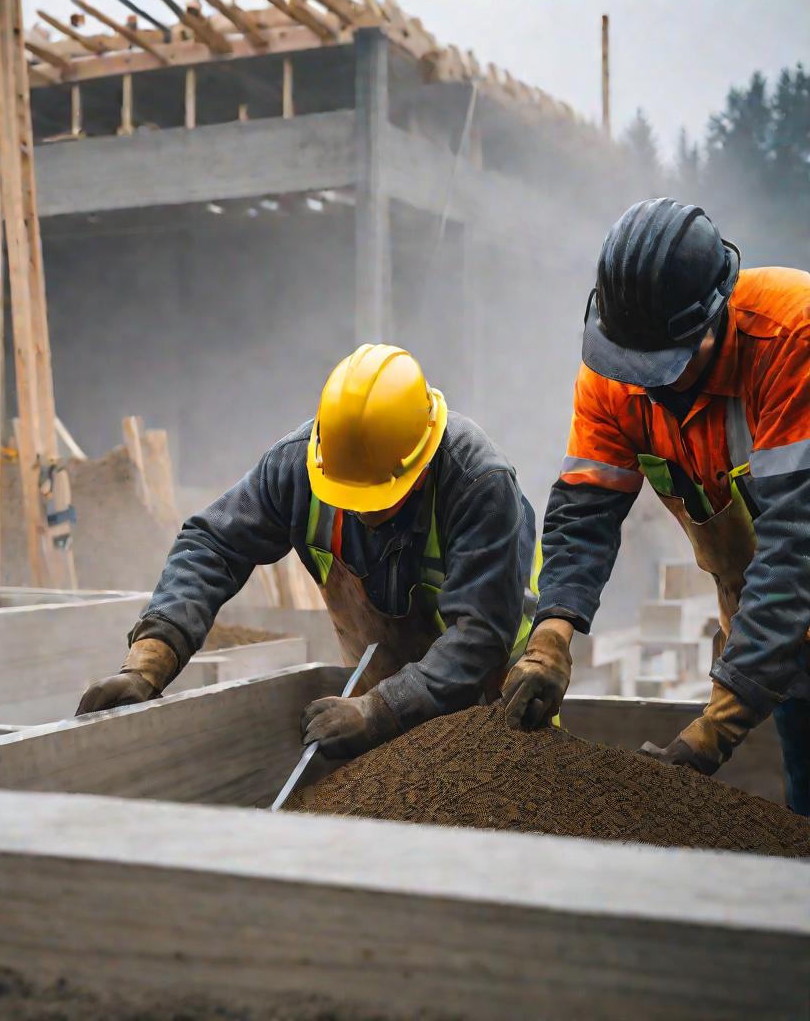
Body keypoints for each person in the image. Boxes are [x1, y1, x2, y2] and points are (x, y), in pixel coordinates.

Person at [77, 343, 536, 759]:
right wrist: (150, 661)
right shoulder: (298, 466)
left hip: (499, 706)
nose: (360, 513)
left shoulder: (478, 484)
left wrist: (378, 711)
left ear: (420, 462)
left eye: (376, 498)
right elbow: (213, 544)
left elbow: (479, 639)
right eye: (347, 496)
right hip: (384, 710)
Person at [503, 197, 810, 815]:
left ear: (714, 316)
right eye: (631, 365)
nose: (644, 382)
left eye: (661, 365)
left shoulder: (790, 337)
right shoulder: (614, 371)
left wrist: (713, 731)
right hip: (783, 631)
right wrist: (551, 638)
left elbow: (796, 547)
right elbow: (584, 513)